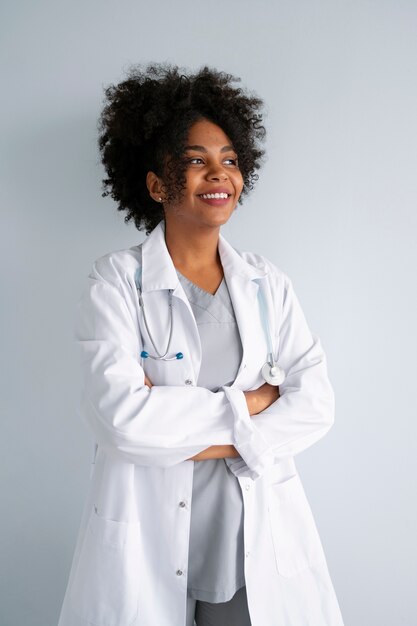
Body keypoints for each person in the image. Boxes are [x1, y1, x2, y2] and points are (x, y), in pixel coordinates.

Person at [57, 64, 344, 626]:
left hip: (248, 533)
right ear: (157, 183)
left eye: (230, 160)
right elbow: (120, 422)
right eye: (196, 160)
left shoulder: (267, 285)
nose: (220, 174)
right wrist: (255, 404)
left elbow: (315, 406)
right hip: (146, 533)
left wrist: (176, 426)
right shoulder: (116, 282)